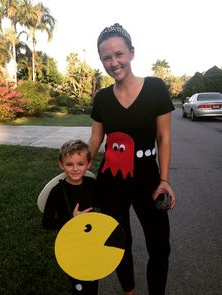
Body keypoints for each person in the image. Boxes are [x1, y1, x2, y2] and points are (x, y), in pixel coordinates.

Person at [88, 23, 176, 295]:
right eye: (106, 57)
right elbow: (95, 139)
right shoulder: (102, 98)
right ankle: (130, 292)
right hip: (111, 179)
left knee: (160, 245)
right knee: (118, 241)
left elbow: (164, 138)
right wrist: (78, 168)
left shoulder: (155, 88)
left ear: (131, 53)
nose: (113, 62)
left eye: (119, 54)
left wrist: (164, 180)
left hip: (149, 177)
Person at [42, 139, 99, 295]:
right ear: (61, 164)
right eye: (69, 164)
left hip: (92, 242)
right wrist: (71, 219)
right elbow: (46, 223)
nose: (75, 169)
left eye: (80, 164)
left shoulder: (91, 184)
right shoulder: (57, 192)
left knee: (93, 278)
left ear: (88, 164)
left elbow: (102, 205)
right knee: (79, 283)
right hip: (70, 245)